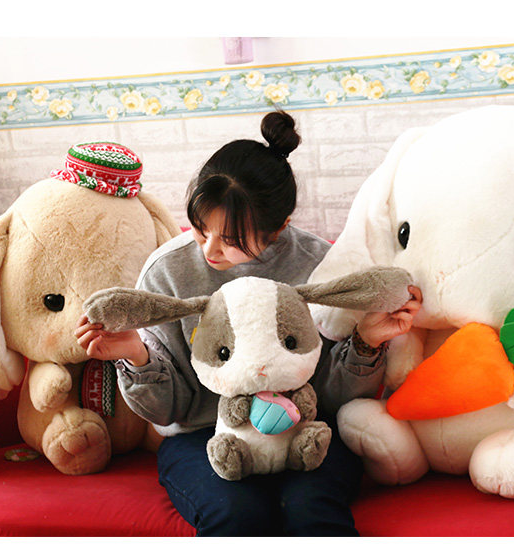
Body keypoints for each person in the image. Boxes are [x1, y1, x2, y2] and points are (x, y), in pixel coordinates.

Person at [75, 110, 422, 536]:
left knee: (310, 510)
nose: (209, 250)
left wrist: (366, 342)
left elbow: (335, 399)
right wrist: (135, 356)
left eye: (231, 239)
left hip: (306, 429)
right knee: (237, 515)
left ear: (279, 229)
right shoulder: (167, 273)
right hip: (203, 435)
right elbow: (170, 412)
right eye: (201, 229)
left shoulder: (321, 265)